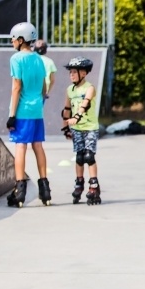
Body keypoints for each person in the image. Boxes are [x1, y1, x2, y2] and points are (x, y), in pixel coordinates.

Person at [5, 22, 51, 208]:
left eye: (13, 38)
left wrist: (11, 114)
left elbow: (16, 87)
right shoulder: (39, 60)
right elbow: (44, 87)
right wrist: (38, 102)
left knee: (21, 147)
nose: (12, 42)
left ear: (21, 39)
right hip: (37, 110)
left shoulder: (16, 59)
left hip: (22, 110)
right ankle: (45, 189)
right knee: (38, 146)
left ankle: (20, 191)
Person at [61, 56, 101, 205]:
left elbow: (85, 104)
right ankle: (79, 183)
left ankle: (94, 185)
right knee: (79, 157)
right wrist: (66, 127)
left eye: (74, 72)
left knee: (89, 156)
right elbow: (66, 109)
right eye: (70, 72)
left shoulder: (90, 88)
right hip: (77, 129)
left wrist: (76, 117)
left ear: (83, 73)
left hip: (90, 127)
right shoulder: (70, 90)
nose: (71, 74)